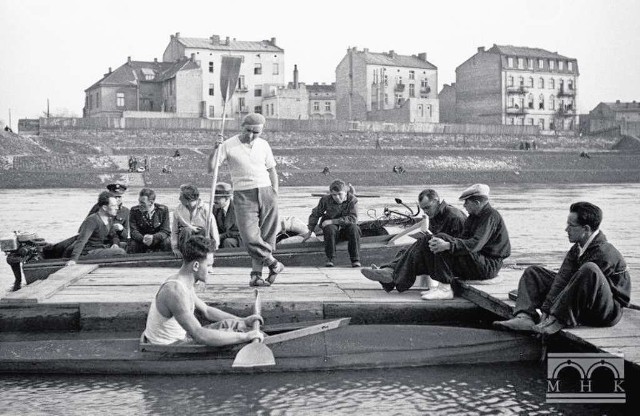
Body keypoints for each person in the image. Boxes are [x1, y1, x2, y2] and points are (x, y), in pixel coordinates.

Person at [494, 202, 631, 335]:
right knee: (533, 272)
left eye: (571, 225)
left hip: (605, 312)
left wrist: (553, 314)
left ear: (586, 229)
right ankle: (525, 317)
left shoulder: (604, 253)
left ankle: (558, 320)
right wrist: (547, 309)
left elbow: (578, 286)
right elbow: (562, 279)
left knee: (589, 270)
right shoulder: (578, 247)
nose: (566, 229)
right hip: (580, 301)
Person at [143, 235, 264, 346]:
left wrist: (242, 321)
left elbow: (206, 311)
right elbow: (200, 335)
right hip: (168, 348)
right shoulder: (174, 291)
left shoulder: (183, 281)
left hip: (182, 337)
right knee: (240, 336)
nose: (212, 270)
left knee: (237, 327)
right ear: (196, 266)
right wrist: (245, 337)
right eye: (209, 265)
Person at [214, 113, 284, 287]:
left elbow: (272, 170)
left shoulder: (264, 145)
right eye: (248, 131)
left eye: (256, 132)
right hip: (243, 193)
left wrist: (275, 192)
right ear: (241, 126)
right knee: (249, 236)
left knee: (267, 236)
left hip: (267, 192)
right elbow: (211, 167)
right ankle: (274, 263)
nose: (251, 135)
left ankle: (256, 275)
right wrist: (215, 149)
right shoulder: (228, 145)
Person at [361, 189, 467, 292]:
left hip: (453, 262)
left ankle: (390, 274)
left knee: (417, 250)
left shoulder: (454, 217)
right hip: (439, 254)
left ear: (436, 201)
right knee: (405, 250)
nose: (425, 212)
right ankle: (389, 273)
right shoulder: (436, 214)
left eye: (427, 208)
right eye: (423, 209)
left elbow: (460, 246)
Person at [418, 184, 511, 300]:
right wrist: (446, 243)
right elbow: (462, 239)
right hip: (477, 260)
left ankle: (445, 289)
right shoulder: (473, 216)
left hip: (488, 265)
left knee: (444, 240)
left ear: (477, 203)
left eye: (466, 202)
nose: (464, 205)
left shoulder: (491, 216)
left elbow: (475, 244)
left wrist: (448, 245)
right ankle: (442, 285)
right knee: (439, 239)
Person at [302, 179, 361, 267]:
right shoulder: (325, 200)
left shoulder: (353, 200)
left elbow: (353, 219)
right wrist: (310, 231)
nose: (337, 197)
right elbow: (315, 214)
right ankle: (330, 259)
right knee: (329, 228)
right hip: (332, 231)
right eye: (334, 195)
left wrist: (332, 221)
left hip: (347, 230)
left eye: (339, 194)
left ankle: (355, 260)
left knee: (354, 228)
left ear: (345, 192)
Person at [66, 191, 127, 266]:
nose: (117, 208)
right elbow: (81, 240)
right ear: (104, 207)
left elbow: (113, 235)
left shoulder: (109, 219)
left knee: (124, 245)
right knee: (120, 252)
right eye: (113, 206)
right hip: (87, 252)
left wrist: (115, 244)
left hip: (99, 247)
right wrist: (73, 259)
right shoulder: (92, 220)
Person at [171, 184, 219, 258]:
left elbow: (213, 228)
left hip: (201, 238)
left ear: (189, 199)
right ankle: (186, 258)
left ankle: (203, 256)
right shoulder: (178, 210)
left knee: (204, 230)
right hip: (186, 240)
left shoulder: (205, 208)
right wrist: (175, 248)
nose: (179, 199)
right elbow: (174, 231)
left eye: (181, 196)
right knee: (186, 230)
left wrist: (216, 245)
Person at [129, 188, 171, 253]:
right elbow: (133, 231)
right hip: (142, 240)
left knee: (167, 242)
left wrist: (154, 237)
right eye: (139, 201)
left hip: (157, 240)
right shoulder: (134, 210)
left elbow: (165, 231)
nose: (139, 205)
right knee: (133, 244)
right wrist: (143, 238)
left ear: (151, 202)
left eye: (142, 203)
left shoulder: (163, 210)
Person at [88, 183, 130, 248]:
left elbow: (125, 234)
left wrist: (121, 229)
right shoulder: (99, 207)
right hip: (99, 240)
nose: (117, 199)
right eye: (114, 197)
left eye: (119, 197)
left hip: (116, 241)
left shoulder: (125, 211)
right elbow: (87, 224)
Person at [212, 182, 241, 248]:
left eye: (217, 198)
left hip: (238, 239)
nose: (214, 201)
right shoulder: (215, 208)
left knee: (228, 242)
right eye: (213, 198)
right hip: (222, 237)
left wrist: (220, 236)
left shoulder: (237, 209)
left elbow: (237, 232)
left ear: (227, 198)